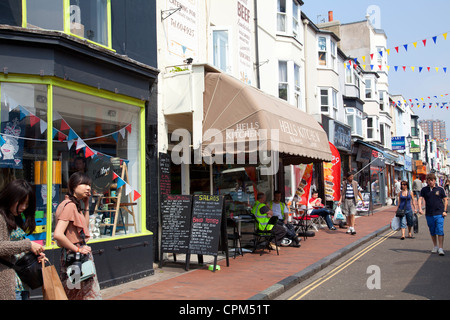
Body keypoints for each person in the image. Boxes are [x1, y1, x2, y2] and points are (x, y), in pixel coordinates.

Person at [53, 172, 102, 300]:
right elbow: (58, 234)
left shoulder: (72, 205)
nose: (88, 188)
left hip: (73, 257)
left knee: (75, 293)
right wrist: (78, 249)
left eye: (89, 185)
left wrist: (86, 206)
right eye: (84, 184)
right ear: (74, 186)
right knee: (85, 294)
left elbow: (83, 228)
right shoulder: (69, 206)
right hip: (75, 258)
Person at [0, 180, 45, 300]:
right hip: (7, 284)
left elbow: (15, 250)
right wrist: (28, 245)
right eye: (21, 203)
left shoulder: (14, 217)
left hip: (21, 283)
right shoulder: (1, 217)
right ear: (10, 197)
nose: (24, 207)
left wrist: (34, 256)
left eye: (27, 204)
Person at [418, 173, 447, 256]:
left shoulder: (440, 189)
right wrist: (420, 208)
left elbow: (445, 200)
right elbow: (420, 199)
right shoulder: (424, 190)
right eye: (428, 180)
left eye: (431, 180)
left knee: (440, 230)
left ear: (434, 180)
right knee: (432, 231)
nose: (430, 182)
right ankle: (435, 246)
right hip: (429, 214)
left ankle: (441, 248)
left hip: (439, 213)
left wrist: (444, 211)